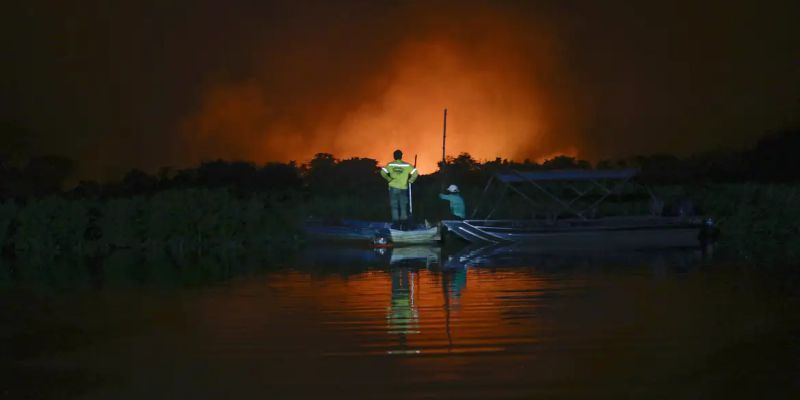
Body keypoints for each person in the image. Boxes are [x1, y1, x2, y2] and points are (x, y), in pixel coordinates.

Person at [380, 149, 418, 226]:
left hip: (393, 188)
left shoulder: (390, 165)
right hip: (403, 188)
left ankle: (396, 224)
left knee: (394, 206)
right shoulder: (407, 165)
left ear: (394, 156)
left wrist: (389, 179)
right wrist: (410, 180)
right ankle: (403, 224)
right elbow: (415, 173)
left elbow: (382, 172)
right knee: (403, 206)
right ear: (401, 156)